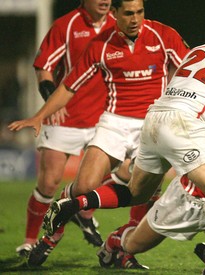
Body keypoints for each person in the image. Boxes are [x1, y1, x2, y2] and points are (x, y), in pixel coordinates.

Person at [42, 20, 205, 275]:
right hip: (183, 124)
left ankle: (76, 203)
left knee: (137, 193)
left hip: (154, 117)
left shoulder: (200, 50)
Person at [8, 0, 189, 267]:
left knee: (141, 190)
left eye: (140, 12)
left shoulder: (164, 36)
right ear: (115, 14)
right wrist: (40, 115)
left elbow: (192, 68)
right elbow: (68, 87)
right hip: (114, 122)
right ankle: (55, 227)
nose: (136, 18)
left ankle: (119, 249)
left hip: (152, 125)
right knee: (84, 186)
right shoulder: (100, 45)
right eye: (128, 13)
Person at [14, 0, 115, 258]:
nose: (105, 1)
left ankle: (84, 213)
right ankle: (28, 241)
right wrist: (50, 100)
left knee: (108, 172)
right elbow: (44, 67)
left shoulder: (118, 24)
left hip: (103, 117)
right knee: (49, 182)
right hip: (65, 116)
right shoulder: (66, 25)